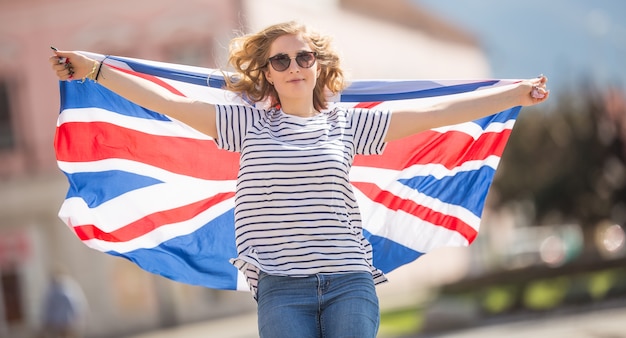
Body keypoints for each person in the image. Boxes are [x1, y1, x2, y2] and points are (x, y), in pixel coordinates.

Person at [49, 21, 549, 338]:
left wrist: (512, 95)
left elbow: (439, 110)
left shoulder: (348, 123)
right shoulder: (246, 124)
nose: (294, 66)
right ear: (267, 73)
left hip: (350, 281)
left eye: (303, 57)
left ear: (317, 67)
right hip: (281, 289)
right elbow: (170, 104)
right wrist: (96, 69)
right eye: (281, 60)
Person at [40, 268, 88, 338]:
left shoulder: (65, 287)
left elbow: (74, 304)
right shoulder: (52, 289)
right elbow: (48, 307)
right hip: (58, 323)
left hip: (66, 321)